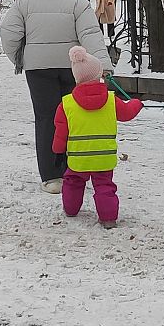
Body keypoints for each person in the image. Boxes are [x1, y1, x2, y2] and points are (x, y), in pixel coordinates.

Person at [0, 0, 112, 194]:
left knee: (46, 118)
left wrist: (20, 58)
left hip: (37, 69)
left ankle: (51, 177)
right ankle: (73, 170)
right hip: (73, 68)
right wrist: (104, 67)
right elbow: (91, 35)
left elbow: (8, 33)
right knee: (74, 118)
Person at [54, 46, 143, 228]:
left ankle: (71, 209)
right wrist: (137, 103)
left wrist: (57, 150)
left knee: (73, 181)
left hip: (78, 157)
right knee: (104, 186)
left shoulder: (66, 104)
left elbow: (60, 132)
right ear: (99, 74)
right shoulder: (111, 100)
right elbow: (127, 112)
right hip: (104, 156)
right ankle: (108, 219)